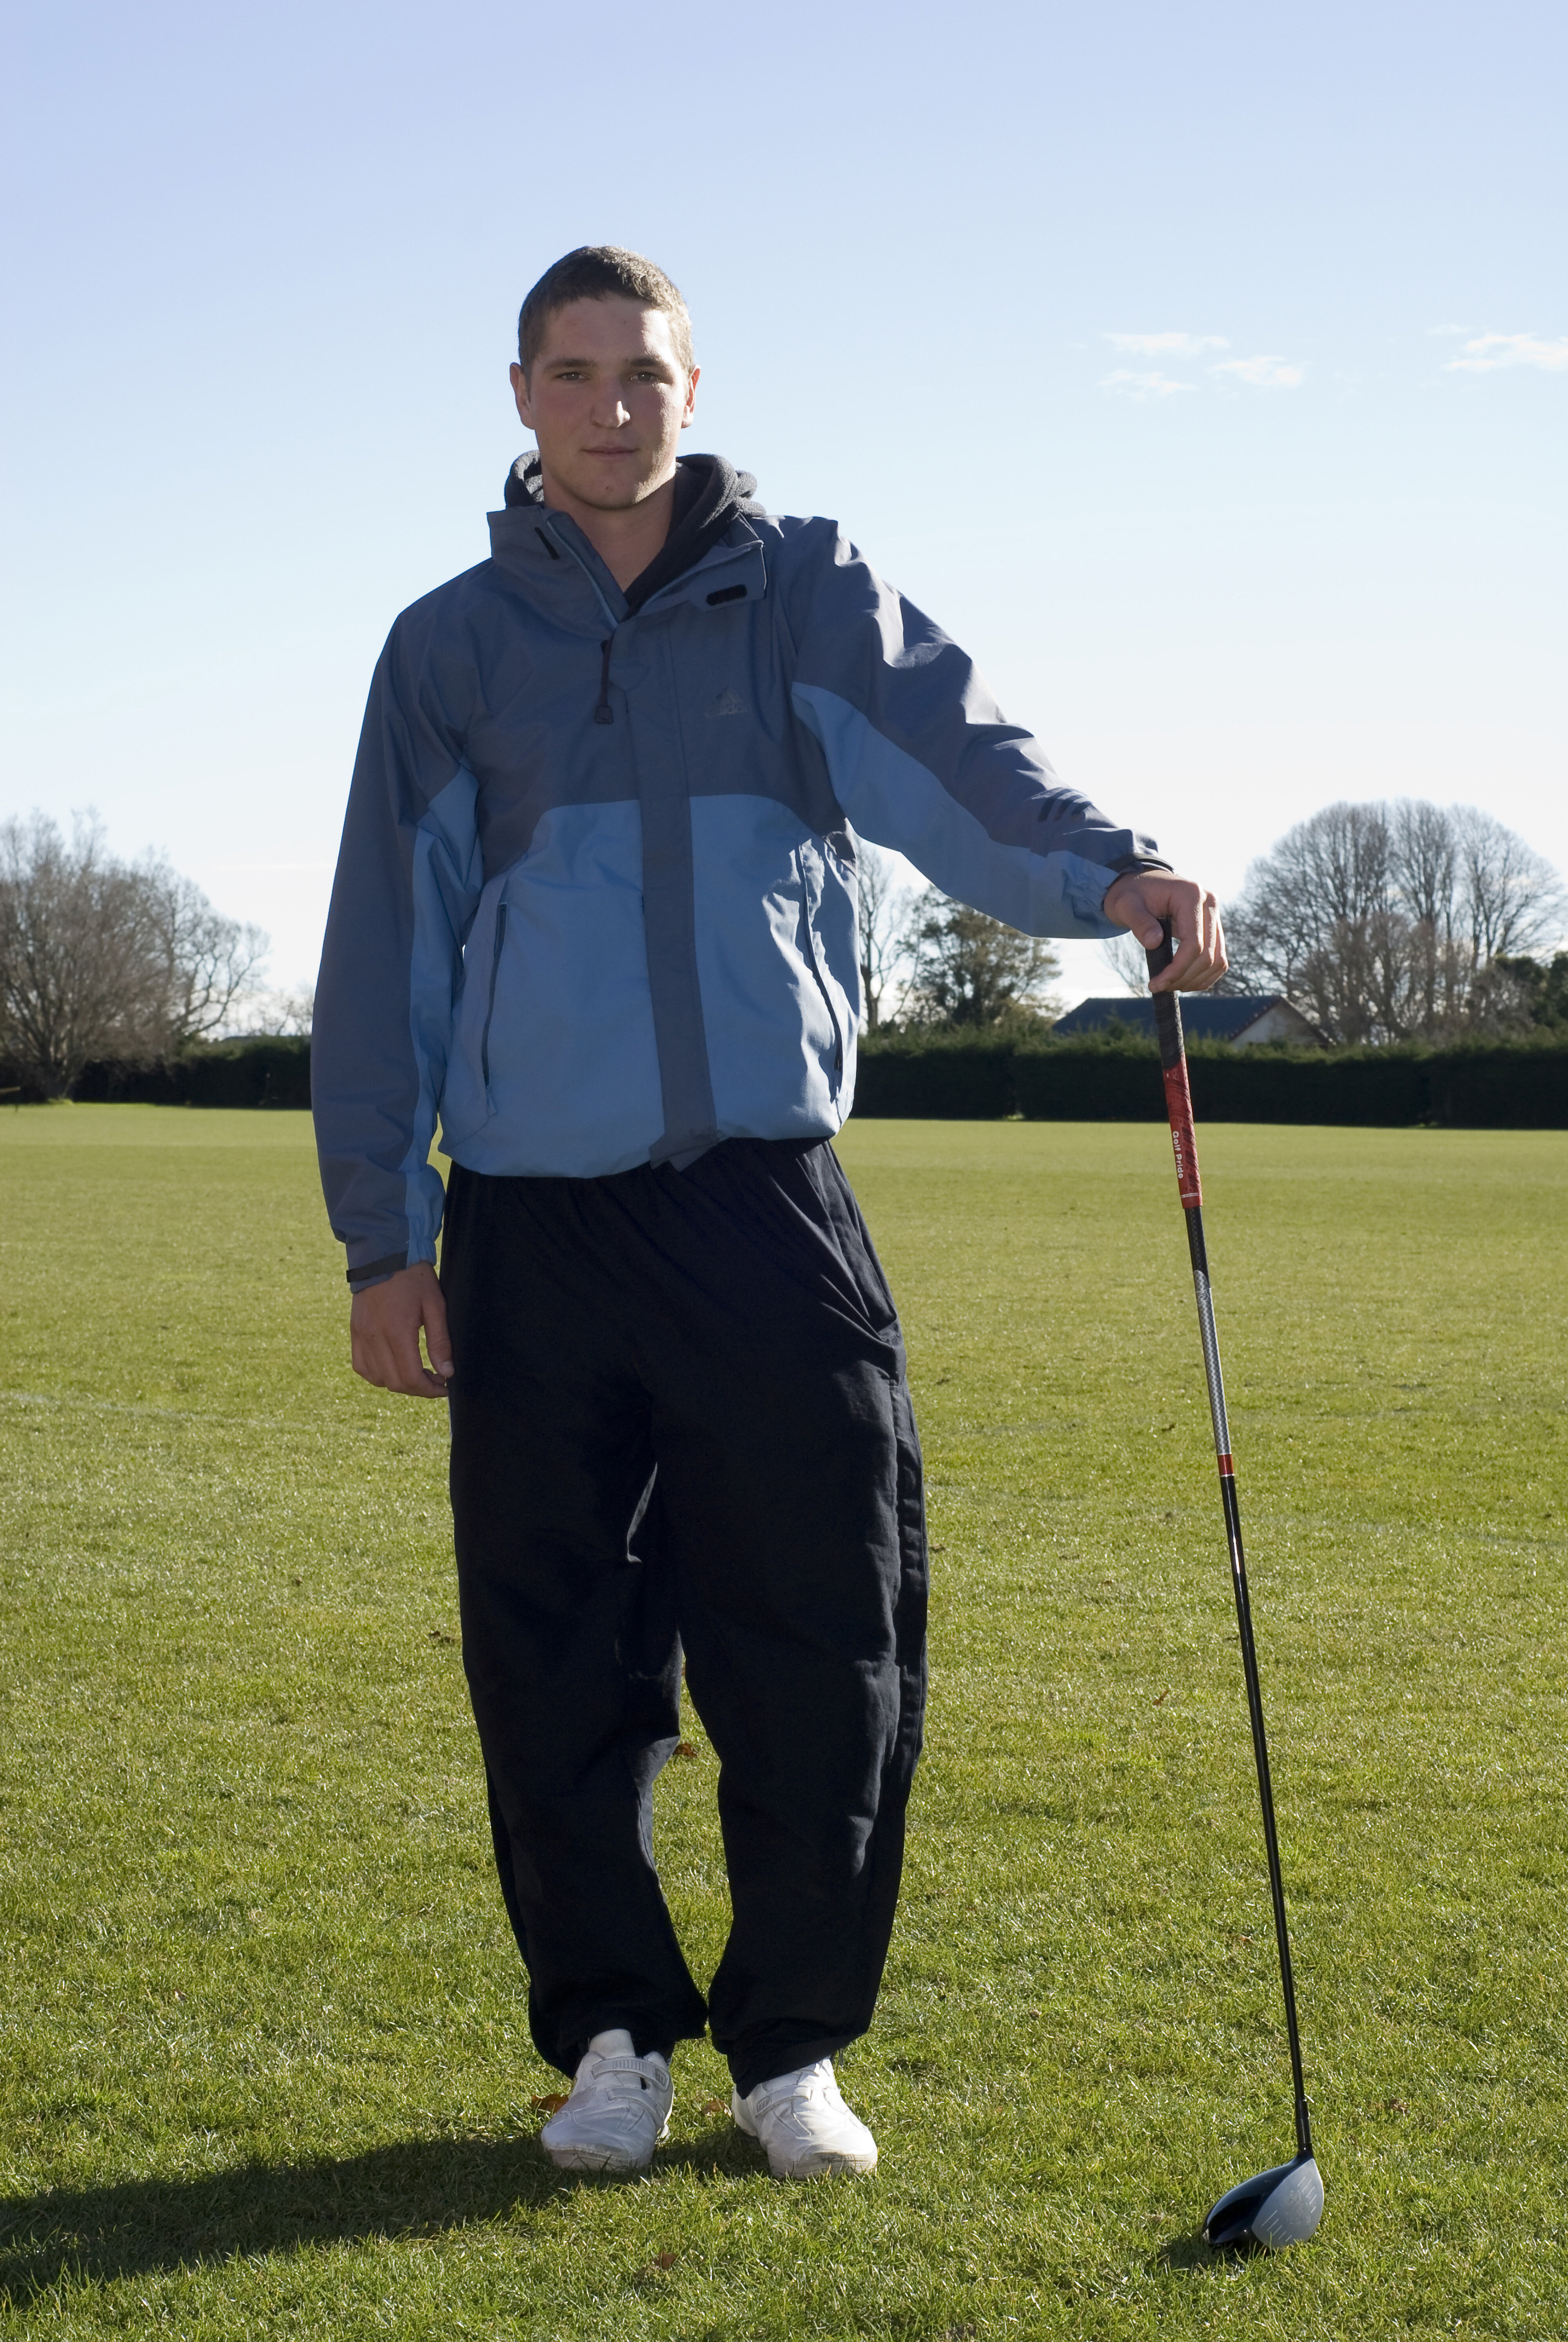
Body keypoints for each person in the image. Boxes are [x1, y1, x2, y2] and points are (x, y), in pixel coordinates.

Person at [312, 245, 1227, 2182]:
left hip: (765, 1213)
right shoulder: (452, 647)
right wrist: (385, 1242)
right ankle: (616, 2040)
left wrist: (1108, 871)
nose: (608, 406)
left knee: (827, 1631)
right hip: (535, 1234)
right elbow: (387, 952)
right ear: (520, 397)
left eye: (640, 372)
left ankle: (791, 2048)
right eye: (572, 374)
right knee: (554, 1655)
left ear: (692, 388)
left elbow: (964, 772)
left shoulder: (800, 593)